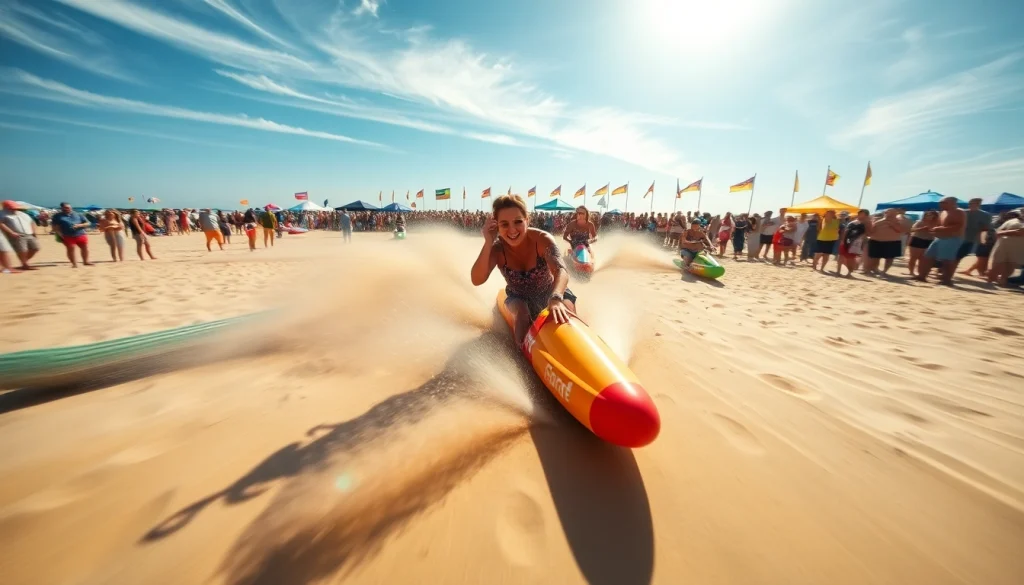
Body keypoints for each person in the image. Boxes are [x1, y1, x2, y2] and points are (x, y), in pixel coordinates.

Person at [471, 195, 577, 349]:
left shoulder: (542, 239)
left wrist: (555, 298)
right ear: (497, 226)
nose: (512, 230)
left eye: (518, 222)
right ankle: (523, 354)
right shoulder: (497, 249)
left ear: (527, 220)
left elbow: (561, 270)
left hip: (552, 292)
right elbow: (477, 280)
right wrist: (488, 242)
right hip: (518, 298)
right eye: (504, 224)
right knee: (523, 314)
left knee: (567, 310)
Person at [916, 196, 966, 285]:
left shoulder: (959, 212)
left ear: (953, 203)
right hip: (939, 238)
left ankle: (947, 280)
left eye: (944, 202)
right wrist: (934, 230)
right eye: (940, 202)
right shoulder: (943, 212)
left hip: (951, 238)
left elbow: (958, 226)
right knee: (928, 256)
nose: (940, 204)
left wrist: (940, 229)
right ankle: (922, 276)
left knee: (947, 260)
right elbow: (939, 225)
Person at [0, 200, 41, 269]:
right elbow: (1, 224)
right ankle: (24, 264)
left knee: (35, 248)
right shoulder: (2, 214)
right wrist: (11, 232)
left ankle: (24, 261)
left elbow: (32, 222)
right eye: (11, 207)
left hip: (29, 234)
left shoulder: (23, 214)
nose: (14, 209)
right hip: (17, 235)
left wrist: (33, 232)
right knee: (22, 250)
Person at [52, 202, 93, 267]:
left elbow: (88, 223)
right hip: (67, 235)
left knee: (85, 248)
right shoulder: (57, 216)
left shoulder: (78, 214)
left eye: (68, 207)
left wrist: (79, 225)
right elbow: (55, 227)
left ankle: (86, 261)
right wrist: (60, 235)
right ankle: (74, 263)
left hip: (81, 234)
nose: (67, 209)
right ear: (62, 208)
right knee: (71, 249)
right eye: (65, 208)